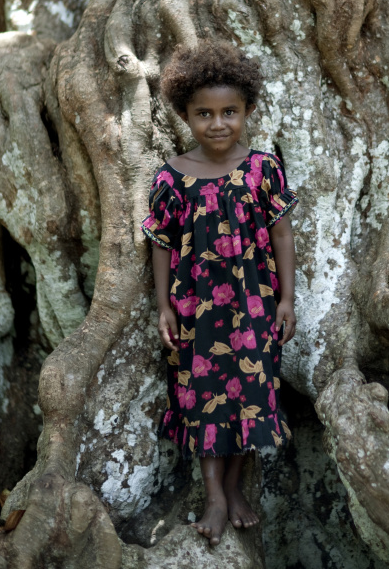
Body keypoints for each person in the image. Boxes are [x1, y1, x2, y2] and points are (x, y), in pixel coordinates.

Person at [141, 40, 298, 546]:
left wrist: (287, 299)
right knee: (205, 397)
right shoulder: (171, 178)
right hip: (196, 311)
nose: (217, 123)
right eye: (203, 113)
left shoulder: (262, 170)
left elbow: (282, 236)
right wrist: (164, 304)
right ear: (185, 116)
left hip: (253, 305)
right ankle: (212, 494)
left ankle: (234, 486)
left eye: (230, 112)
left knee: (250, 393)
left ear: (247, 110)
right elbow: (161, 244)